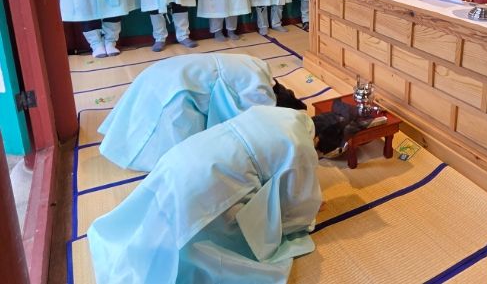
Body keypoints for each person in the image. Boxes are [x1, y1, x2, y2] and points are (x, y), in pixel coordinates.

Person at [88, 106, 322, 284]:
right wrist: (302, 222)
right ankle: (144, 266)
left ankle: (134, 251)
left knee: (157, 214)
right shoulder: (300, 143)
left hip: (185, 154)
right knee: (181, 237)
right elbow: (298, 200)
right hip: (206, 177)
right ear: (317, 139)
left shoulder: (279, 113)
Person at [98, 53, 307, 172]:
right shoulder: (260, 91)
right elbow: (250, 124)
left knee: (142, 114)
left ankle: (122, 143)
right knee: (180, 158)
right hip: (179, 85)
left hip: (167, 69)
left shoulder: (259, 66)